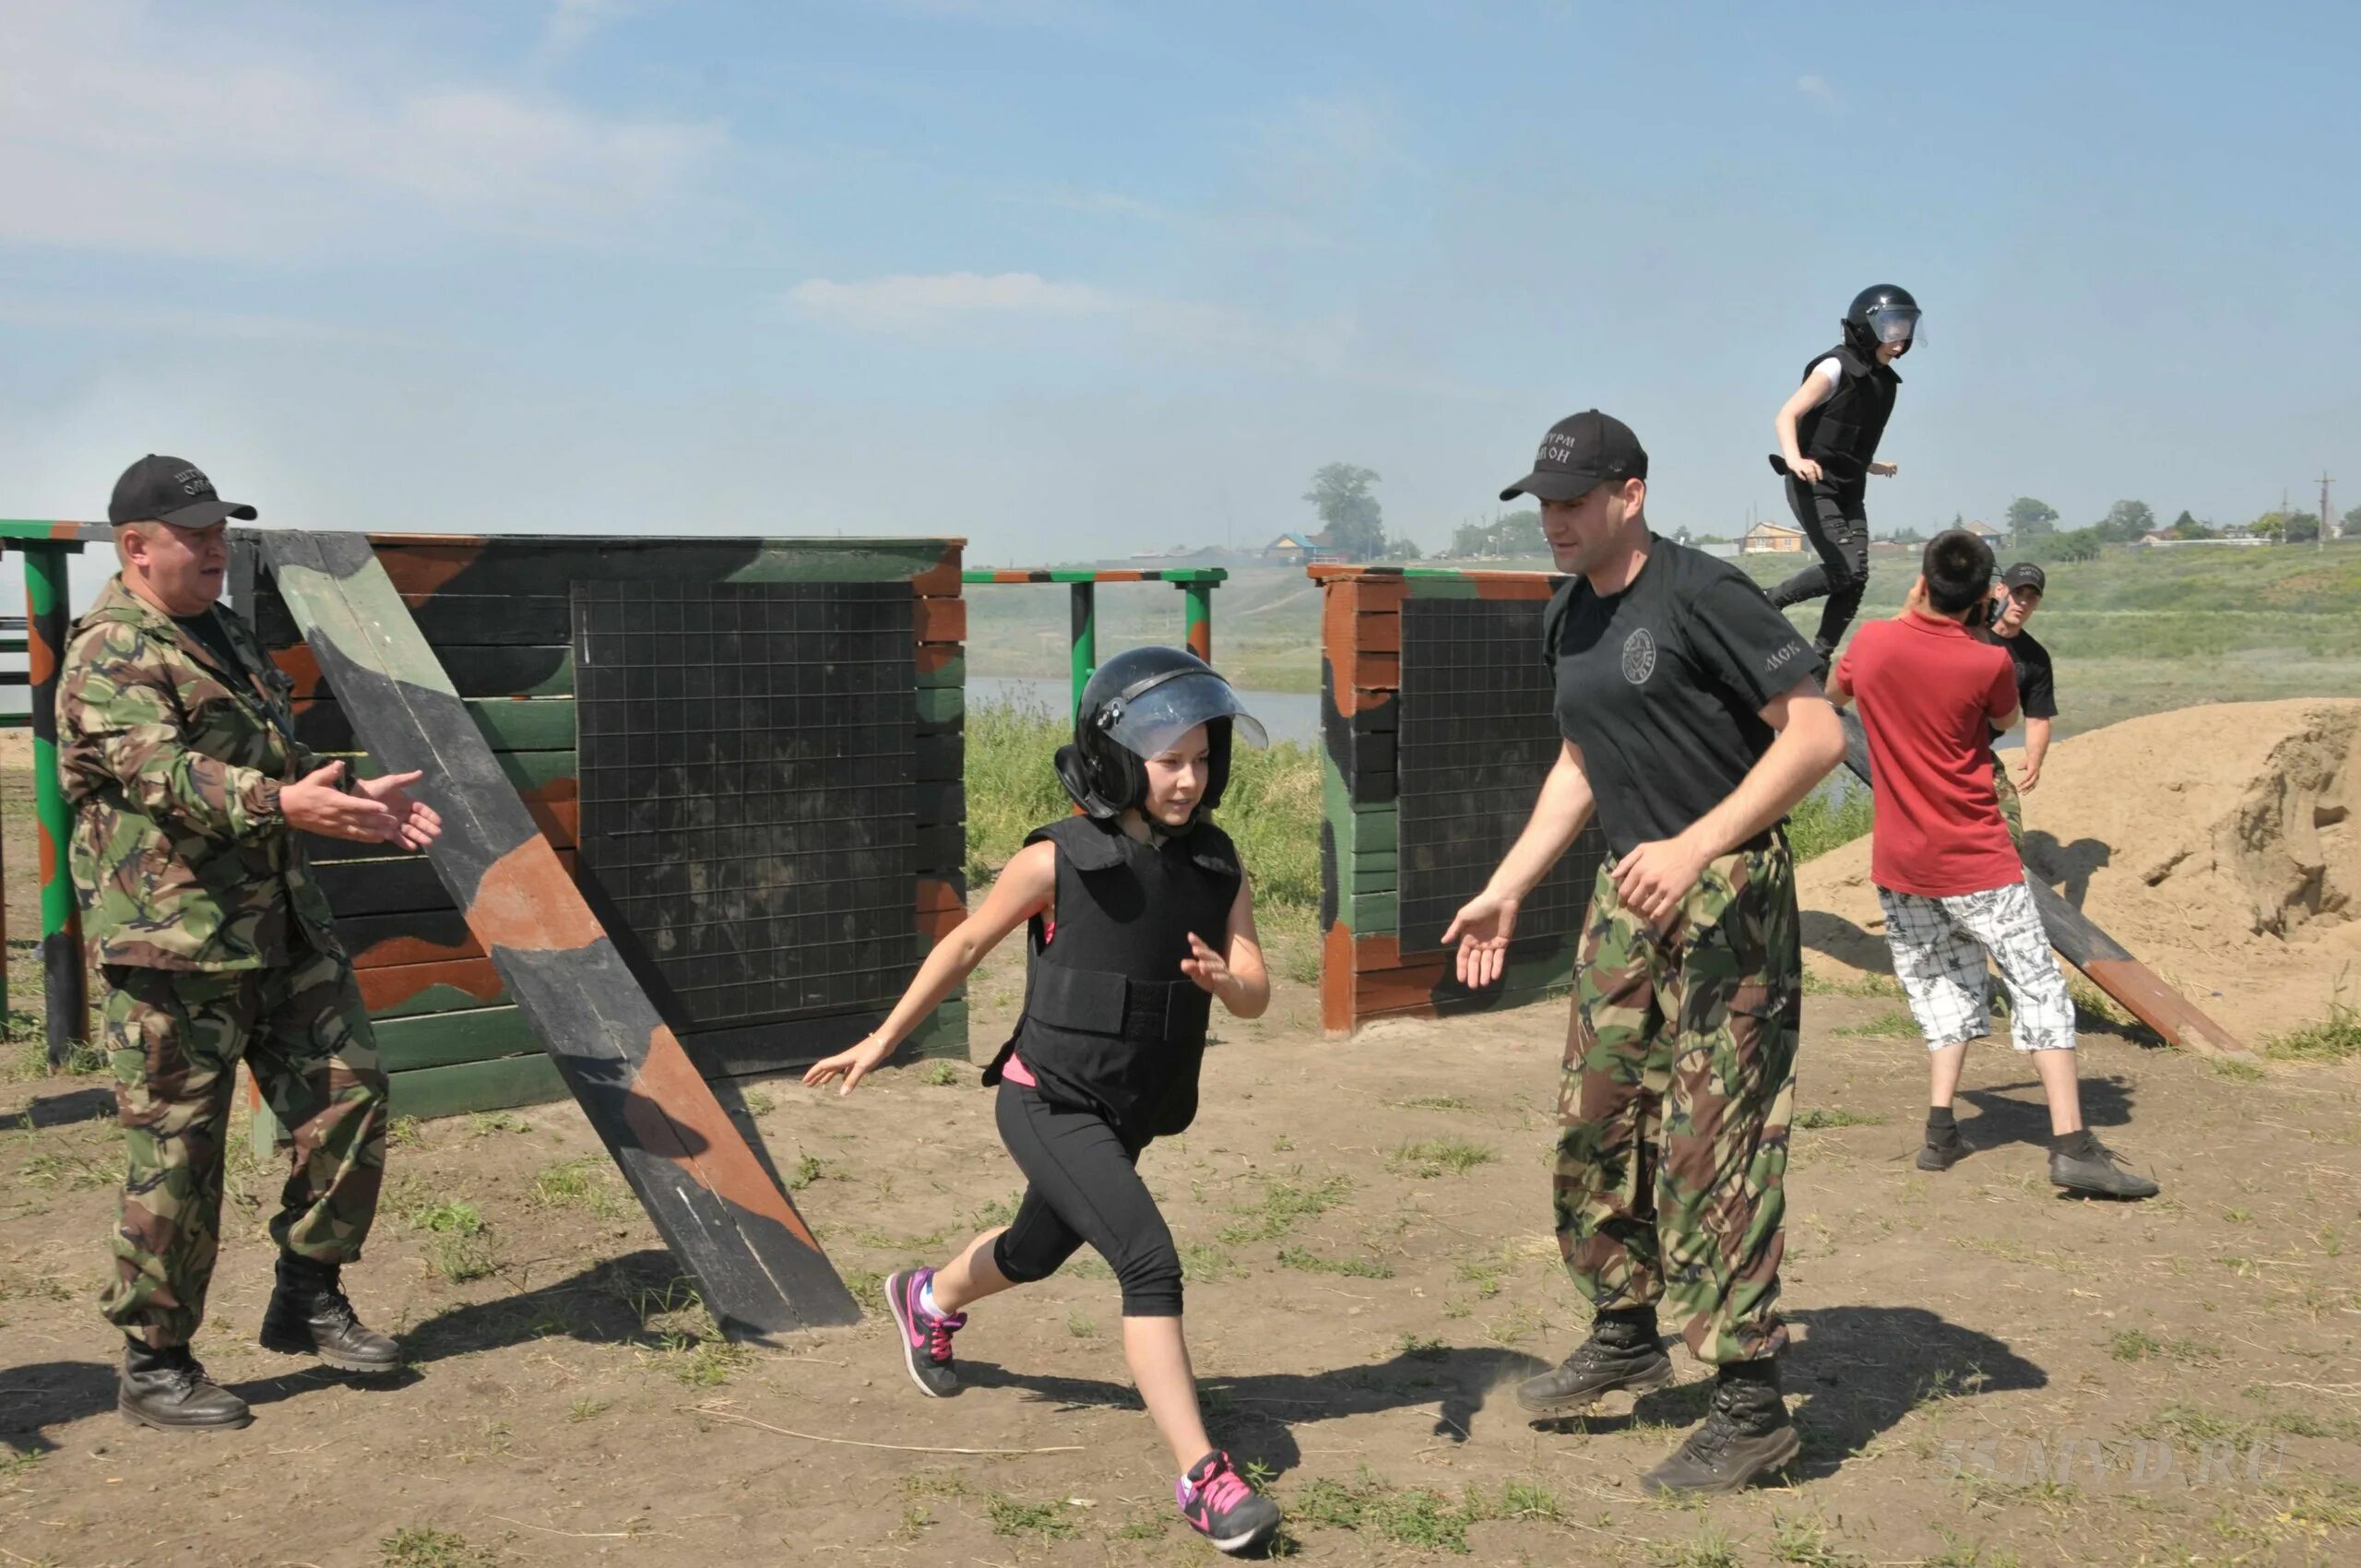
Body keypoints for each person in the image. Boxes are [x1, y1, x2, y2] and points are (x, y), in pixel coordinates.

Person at [802, 647, 1284, 1556]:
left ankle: (928, 1296)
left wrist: (1229, 980)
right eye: (1169, 759)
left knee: (1033, 1249)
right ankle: (1203, 1476)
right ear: (1113, 758)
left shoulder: (1217, 866)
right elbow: (965, 946)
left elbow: (1258, 987)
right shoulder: (1056, 856)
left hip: (1127, 1108)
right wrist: (883, 1039)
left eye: (1202, 758)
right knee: (1148, 1261)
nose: (1189, 778)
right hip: (1046, 1099)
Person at [1443, 410, 1846, 1494]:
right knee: (1599, 1114)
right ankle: (1623, 1323)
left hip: (1726, 896)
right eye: (1542, 504)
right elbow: (1583, 755)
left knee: (1715, 1145)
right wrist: (1506, 883)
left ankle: (1751, 1405)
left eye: (1572, 501)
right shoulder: (1571, 610)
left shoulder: (1703, 593)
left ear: (1631, 492)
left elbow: (1817, 733)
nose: (1553, 521)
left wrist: (1697, 841)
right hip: (1627, 892)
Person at [61, 456, 445, 1432]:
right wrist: (287, 801)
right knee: (178, 1157)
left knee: (350, 1095)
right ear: (136, 546)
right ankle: (155, 1360)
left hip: (278, 924)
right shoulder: (109, 646)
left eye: (221, 532)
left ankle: (306, 1290)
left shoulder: (222, 631)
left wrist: (347, 797)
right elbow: (165, 773)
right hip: (171, 944)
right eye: (195, 535)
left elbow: (267, 755)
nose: (216, 549)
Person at [1828, 530, 2157, 1198]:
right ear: (1987, 597)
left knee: (1941, 989)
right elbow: (2004, 718)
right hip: (1977, 857)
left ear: (1921, 581)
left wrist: (1899, 620)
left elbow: (1833, 700)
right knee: (2039, 988)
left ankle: (1941, 1129)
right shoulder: (1987, 664)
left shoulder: (1869, 645)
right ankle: (2072, 1145)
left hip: (1900, 864)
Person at [1766, 284, 1921, 669]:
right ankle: (1768, 601)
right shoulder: (1834, 367)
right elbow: (1786, 415)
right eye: (1891, 328)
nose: (1899, 339)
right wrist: (1794, 459)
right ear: (1866, 327)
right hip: (1813, 484)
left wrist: (1870, 463)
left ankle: (1819, 660)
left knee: (1857, 577)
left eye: (1904, 328)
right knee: (1845, 568)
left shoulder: (1884, 383)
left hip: (1851, 487)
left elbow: (1843, 435)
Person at [1977, 562, 2055, 846]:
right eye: (2016, 592)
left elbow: (2038, 717)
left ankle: (2006, 876)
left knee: (2007, 831)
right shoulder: (1968, 632)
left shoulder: (2034, 657)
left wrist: (2035, 757)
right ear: (2000, 590)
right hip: (1934, 745)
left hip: (1977, 751)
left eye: (2030, 597)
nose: (2021, 602)